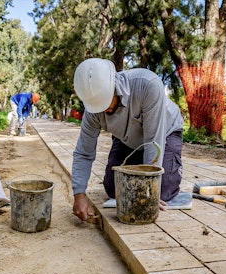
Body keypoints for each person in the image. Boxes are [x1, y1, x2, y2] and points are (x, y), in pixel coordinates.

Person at [70, 58, 185, 221]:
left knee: (161, 190)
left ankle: (171, 169)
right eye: (98, 107)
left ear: (114, 86)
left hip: (164, 133)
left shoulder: (147, 84)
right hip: (127, 138)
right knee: (114, 188)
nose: (104, 111)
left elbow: (153, 140)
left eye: (106, 103)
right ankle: (140, 166)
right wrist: (79, 194)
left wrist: (149, 190)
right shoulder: (92, 111)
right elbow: (83, 153)